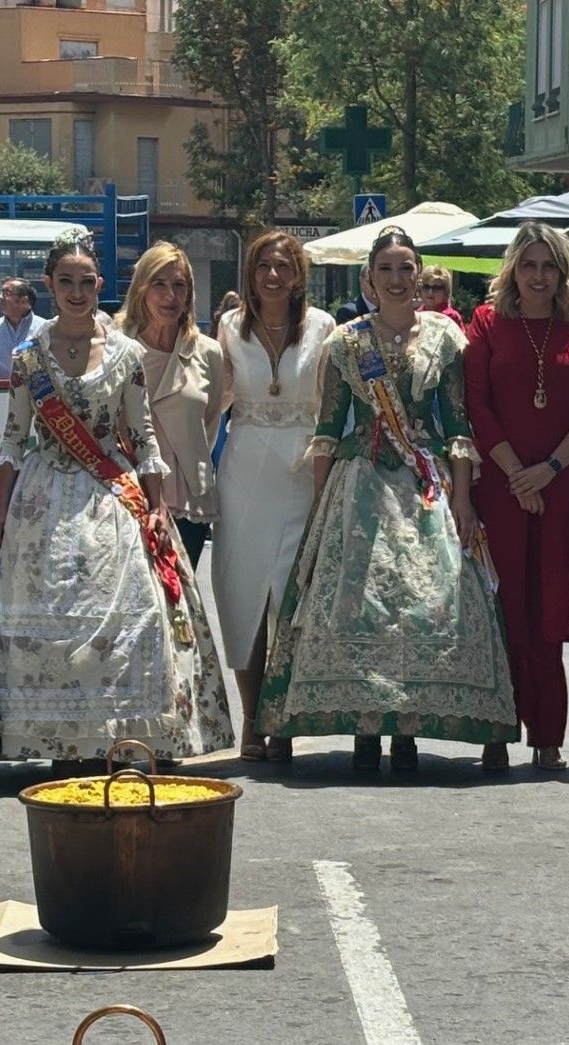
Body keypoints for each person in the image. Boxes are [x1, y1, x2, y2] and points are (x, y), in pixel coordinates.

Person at [258, 226, 516, 771]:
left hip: (425, 482)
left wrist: (465, 499)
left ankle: (409, 731)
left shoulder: (447, 339)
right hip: (361, 483)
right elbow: (328, 426)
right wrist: (322, 504)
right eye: (386, 270)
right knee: (355, 603)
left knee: (434, 600)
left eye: (406, 268)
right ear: (368, 278)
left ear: (419, 274)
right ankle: (364, 729)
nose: (397, 279)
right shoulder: (348, 342)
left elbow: (457, 425)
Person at [0, 228, 231, 765]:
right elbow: (11, 437)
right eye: (66, 281)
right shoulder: (29, 357)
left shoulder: (124, 352)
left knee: (126, 615)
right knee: (52, 618)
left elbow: (142, 437)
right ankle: (59, 739)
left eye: (87, 282)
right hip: (42, 496)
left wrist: (156, 503)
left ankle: (117, 732)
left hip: (110, 494)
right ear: (49, 285)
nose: (77, 292)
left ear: (101, 285)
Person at [463, 221, 569, 772]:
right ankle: (497, 729)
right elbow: (476, 404)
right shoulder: (486, 322)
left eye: (549, 265)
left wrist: (546, 471)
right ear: (512, 270)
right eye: (529, 265)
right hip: (501, 488)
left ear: (563, 271)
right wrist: (516, 474)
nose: (539, 276)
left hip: (561, 486)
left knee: (550, 610)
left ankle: (549, 734)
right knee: (504, 607)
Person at [214, 232, 334, 761]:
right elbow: (210, 399)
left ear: (299, 274)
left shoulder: (324, 328)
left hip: (302, 470)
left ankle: (283, 715)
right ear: (251, 272)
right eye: (263, 265)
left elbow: (334, 404)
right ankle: (250, 720)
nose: (272, 275)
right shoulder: (227, 328)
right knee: (244, 594)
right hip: (243, 468)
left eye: (283, 265)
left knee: (291, 594)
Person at [118, 242, 226, 567]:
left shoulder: (209, 352)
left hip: (189, 500)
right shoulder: (114, 343)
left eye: (179, 286)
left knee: (182, 609)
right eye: (160, 284)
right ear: (141, 288)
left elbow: (209, 423)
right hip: (129, 494)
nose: (170, 296)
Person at [419, 264, 464, 330]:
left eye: (436, 288)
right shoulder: (417, 314)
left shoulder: (451, 317)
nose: (430, 292)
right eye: (426, 287)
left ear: (445, 291)